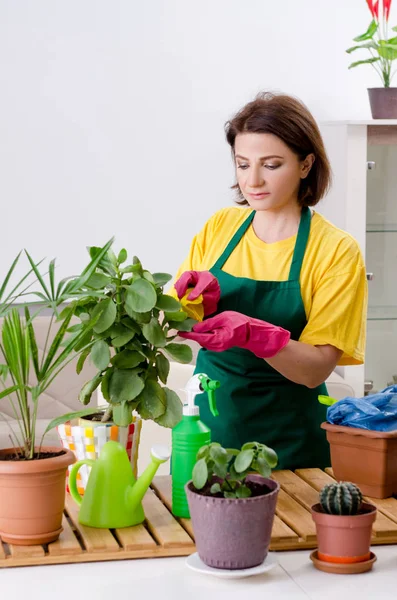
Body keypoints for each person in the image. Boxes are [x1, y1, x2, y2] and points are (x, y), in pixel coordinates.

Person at [171, 92, 367, 470]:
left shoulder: (335, 250)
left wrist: (254, 333)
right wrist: (185, 302)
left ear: (306, 164)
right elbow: (175, 323)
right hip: (210, 432)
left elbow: (314, 371)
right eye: (243, 165)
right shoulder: (220, 228)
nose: (253, 180)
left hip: (292, 444)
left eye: (272, 164)